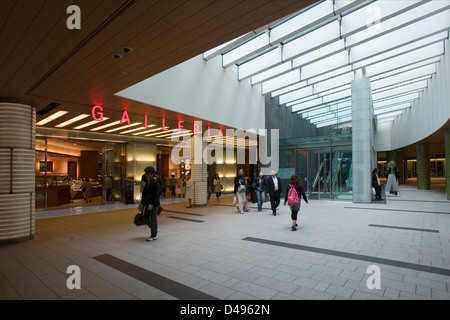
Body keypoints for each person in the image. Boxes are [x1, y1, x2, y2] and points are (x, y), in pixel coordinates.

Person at [141, 166, 160, 241]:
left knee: (153, 218)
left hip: (154, 204)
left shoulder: (156, 183)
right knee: (145, 218)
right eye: (146, 173)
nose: (146, 175)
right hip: (147, 203)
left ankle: (154, 235)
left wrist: (152, 204)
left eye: (148, 173)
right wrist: (143, 203)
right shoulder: (147, 182)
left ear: (152, 174)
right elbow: (144, 193)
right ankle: (155, 228)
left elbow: (156, 195)